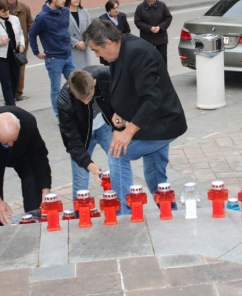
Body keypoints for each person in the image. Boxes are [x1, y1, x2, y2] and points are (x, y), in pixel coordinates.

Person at [82, 19, 187, 214]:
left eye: (97, 50)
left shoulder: (138, 52)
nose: (97, 56)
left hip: (162, 123)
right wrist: (121, 111)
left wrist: (128, 133)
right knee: (154, 176)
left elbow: (152, 98)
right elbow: (130, 85)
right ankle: (171, 214)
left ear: (109, 43)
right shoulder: (120, 49)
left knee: (117, 153)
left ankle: (124, 214)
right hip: (153, 120)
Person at [57, 66, 117, 201]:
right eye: (80, 99)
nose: (85, 102)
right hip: (82, 135)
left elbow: (123, 92)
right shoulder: (64, 102)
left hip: (105, 125)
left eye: (88, 97)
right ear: (71, 90)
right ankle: (80, 217)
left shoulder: (105, 75)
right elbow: (72, 142)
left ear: (94, 82)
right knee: (80, 180)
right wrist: (93, 168)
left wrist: (120, 115)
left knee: (120, 163)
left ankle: (125, 208)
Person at [0, 107, 52, 225]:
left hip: (23, 155)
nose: (10, 145)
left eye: (13, 139)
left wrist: (45, 189)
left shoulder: (28, 122)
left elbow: (39, 157)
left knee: (34, 181)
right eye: (6, 142)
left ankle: (34, 220)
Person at [29, 0, 75, 118]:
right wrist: (36, 52)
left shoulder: (65, 11)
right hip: (54, 58)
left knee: (75, 84)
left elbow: (65, 31)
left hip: (68, 55)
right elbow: (32, 34)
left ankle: (75, 111)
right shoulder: (42, 17)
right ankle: (60, 116)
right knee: (56, 89)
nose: (64, 1)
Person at [4, 0, 33, 102]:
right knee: (7, 70)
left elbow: (30, 24)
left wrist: (29, 39)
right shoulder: (2, 7)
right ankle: (9, 92)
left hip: (21, 44)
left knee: (20, 69)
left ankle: (18, 92)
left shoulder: (24, 8)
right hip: (5, 45)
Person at [134, 0, 173, 65]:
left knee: (162, 60)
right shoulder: (140, 7)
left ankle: (163, 77)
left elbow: (168, 18)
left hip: (161, 38)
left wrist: (160, 27)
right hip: (147, 39)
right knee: (148, 60)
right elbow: (137, 22)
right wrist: (149, 28)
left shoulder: (162, 5)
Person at [0, 0, 24, 106]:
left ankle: (10, 100)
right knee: (6, 82)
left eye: (7, 10)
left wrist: (22, 45)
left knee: (15, 80)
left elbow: (21, 33)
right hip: (2, 57)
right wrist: (1, 42)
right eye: (3, 11)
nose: (6, 13)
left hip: (15, 55)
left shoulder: (14, 19)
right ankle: (11, 106)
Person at [65, 0, 92, 70]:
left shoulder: (85, 12)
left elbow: (90, 29)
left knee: (87, 74)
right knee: (75, 76)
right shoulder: (63, 13)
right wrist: (76, 43)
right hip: (72, 49)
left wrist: (85, 42)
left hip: (84, 48)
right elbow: (63, 32)